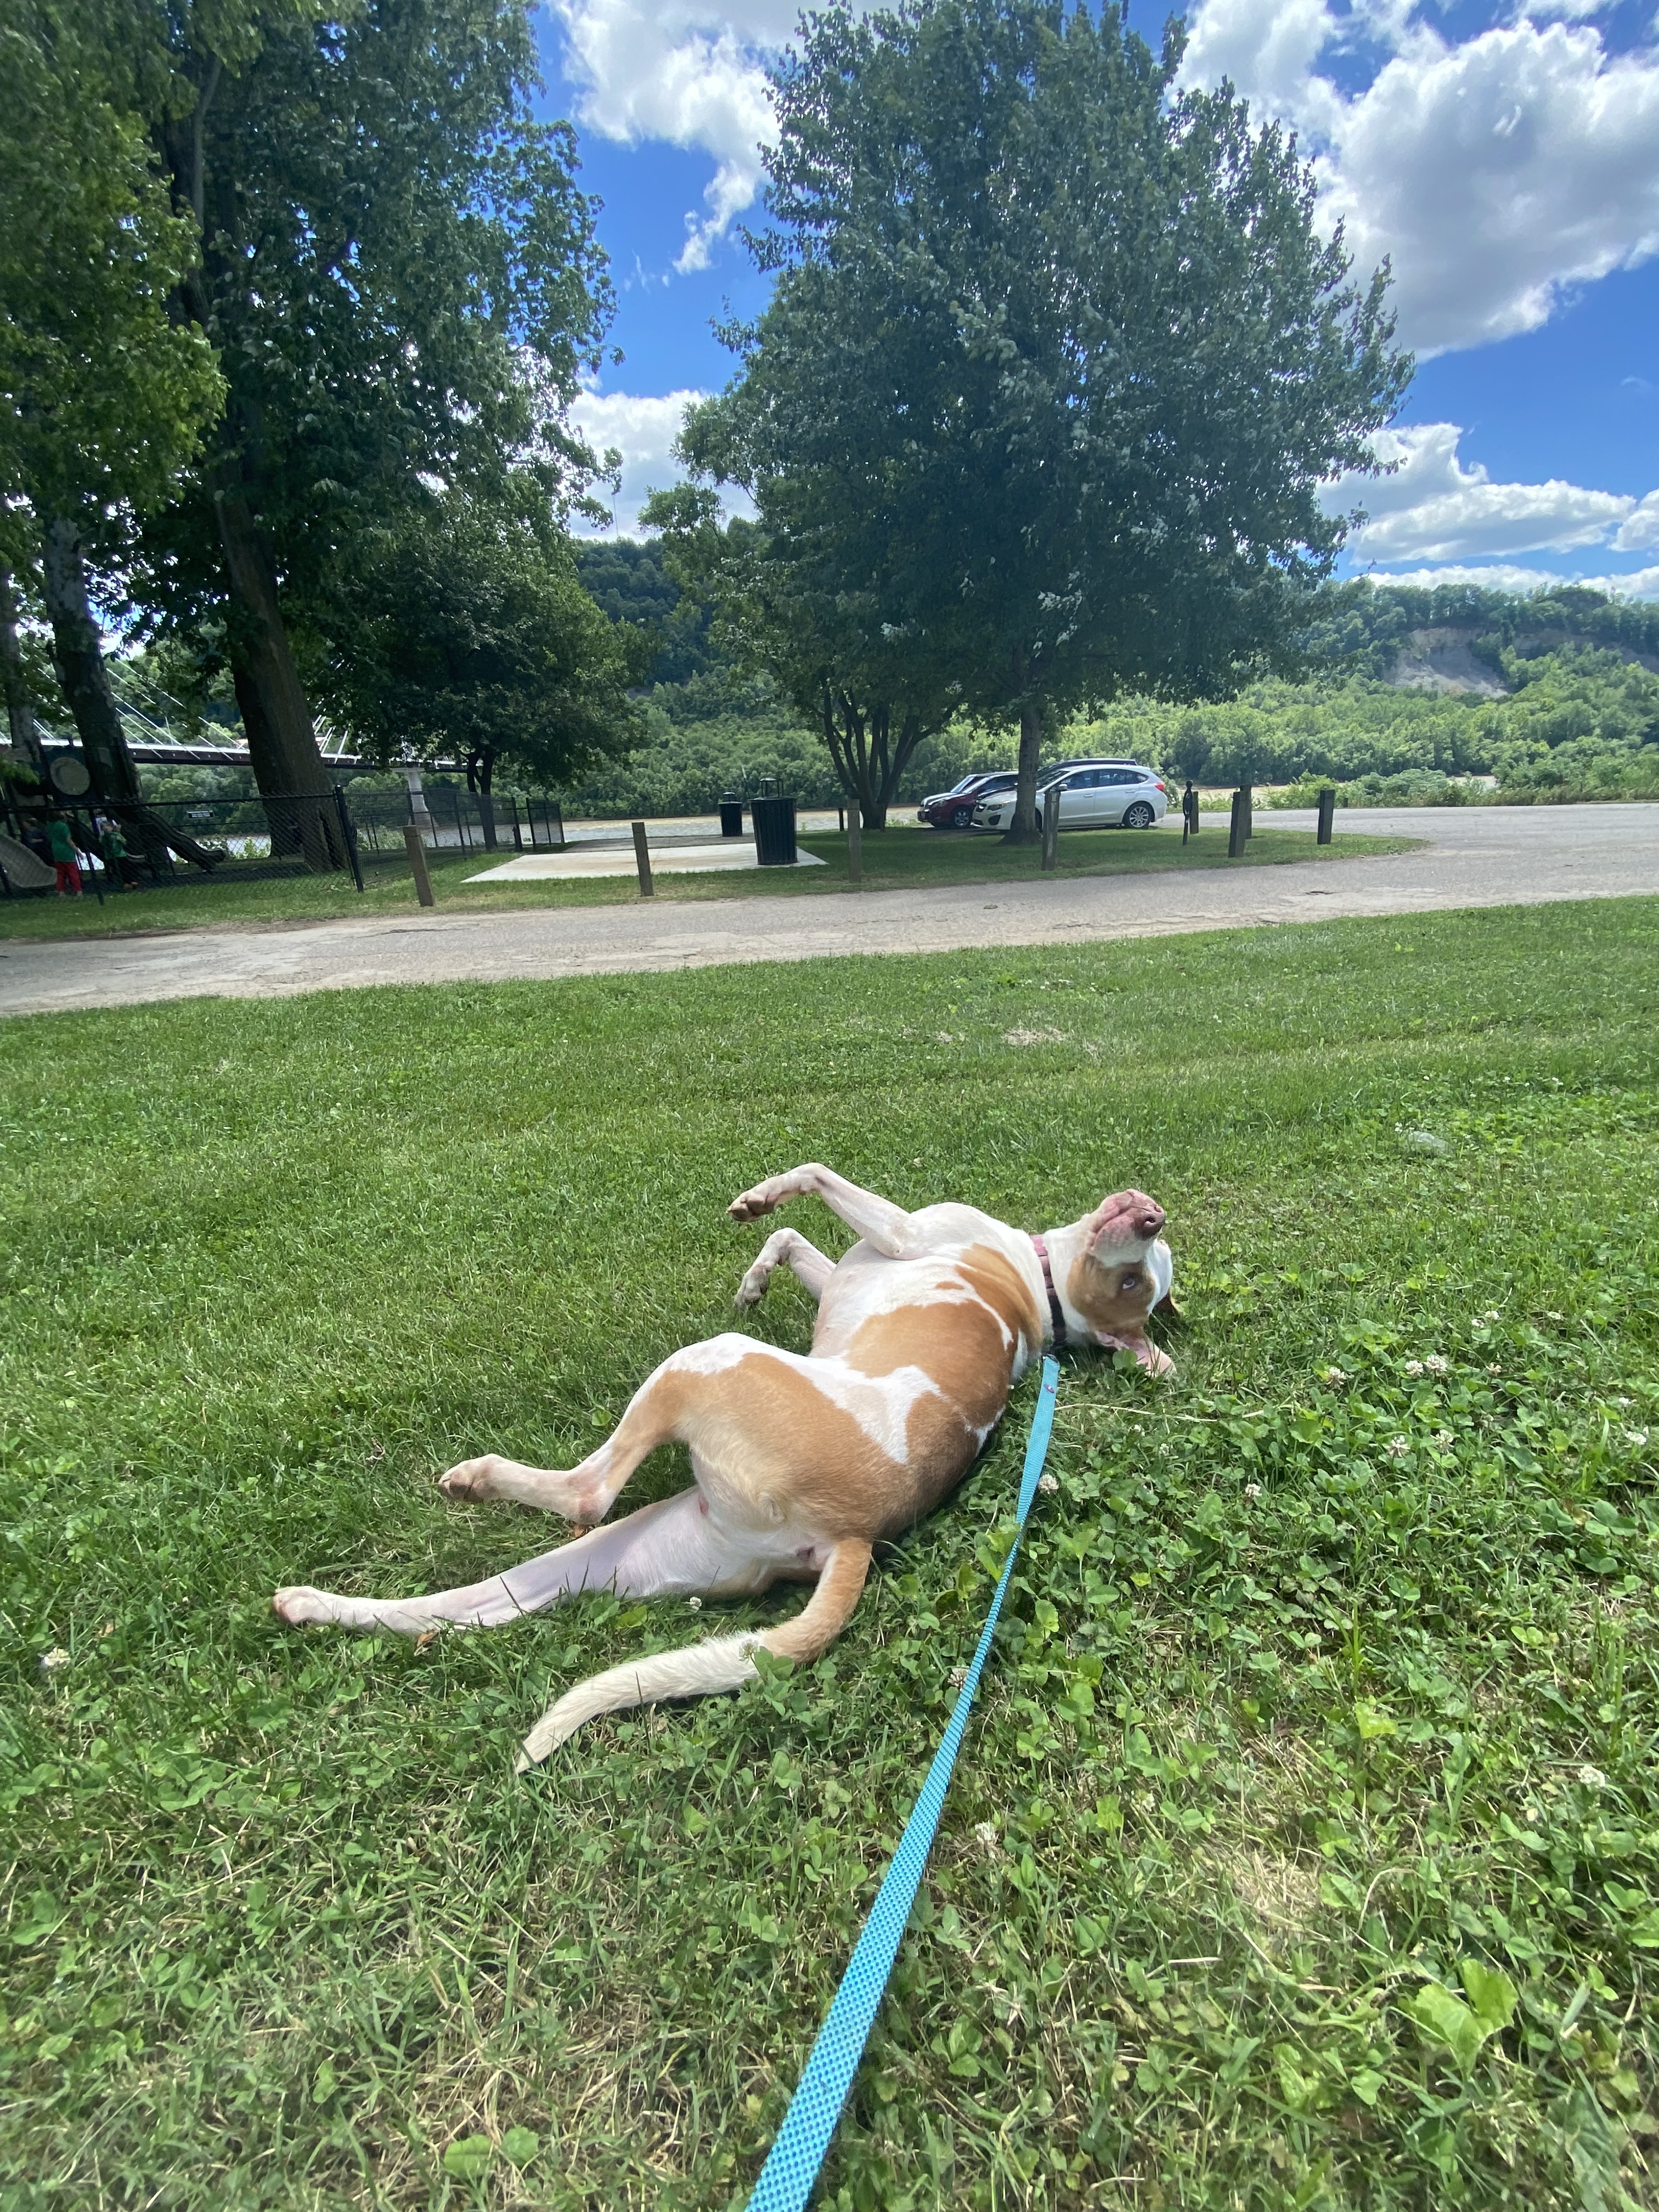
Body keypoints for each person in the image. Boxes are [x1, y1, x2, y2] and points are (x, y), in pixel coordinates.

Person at [46, 814, 82, 896]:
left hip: (56, 851)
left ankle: (61, 891)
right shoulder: (64, 826)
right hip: (67, 851)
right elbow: (69, 840)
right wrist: (78, 851)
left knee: (61, 873)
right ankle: (78, 890)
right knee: (73, 872)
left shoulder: (50, 825)